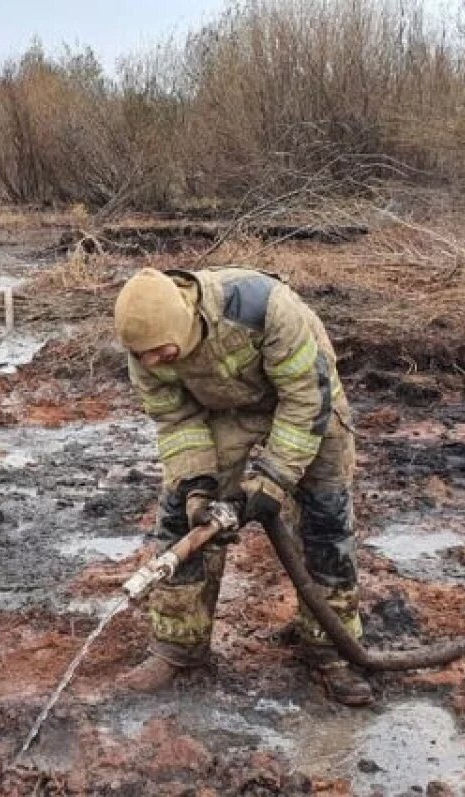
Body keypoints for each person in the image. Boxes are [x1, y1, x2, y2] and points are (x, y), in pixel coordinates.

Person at [112, 266, 373, 706]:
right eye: (143, 356)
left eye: (160, 352)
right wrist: (198, 487)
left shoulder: (264, 307)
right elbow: (176, 420)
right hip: (225, 414)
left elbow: (306, 396)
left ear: (186, 323)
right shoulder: (142, 351)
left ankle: (330, 650)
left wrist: (272, 481)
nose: (152, 363)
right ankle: (179, 645)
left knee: (325, 520)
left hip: (307, 401)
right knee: (180, 517)